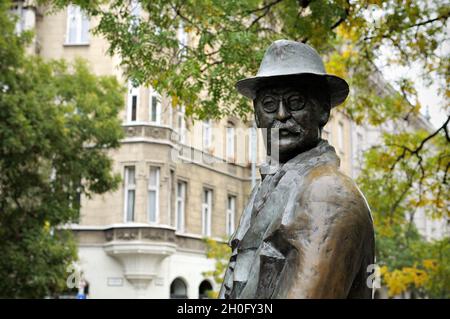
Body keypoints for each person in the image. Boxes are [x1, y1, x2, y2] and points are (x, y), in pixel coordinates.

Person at [219, 40, 375, 299]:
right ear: (257, 115)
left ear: (323, 111)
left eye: (295, 102)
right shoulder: (272, 188)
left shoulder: (327, 193)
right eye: (269, 104)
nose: (280, 115)